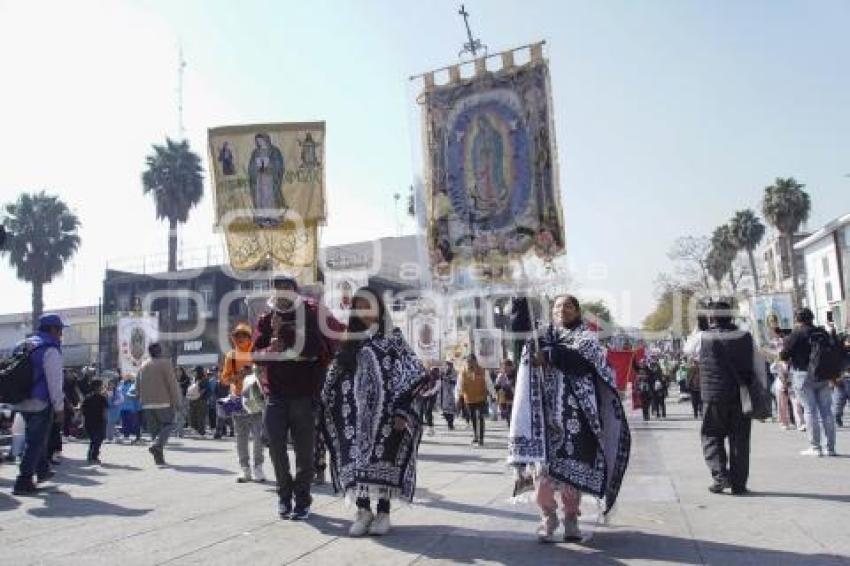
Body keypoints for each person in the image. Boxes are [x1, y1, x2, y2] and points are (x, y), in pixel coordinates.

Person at [508, 295, 631, 543]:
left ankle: (571, 519)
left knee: (571, 478)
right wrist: (520, 307)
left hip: (576, 419)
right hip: (543, 420)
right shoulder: (542, 336)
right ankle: (548, 515)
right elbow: (521, 345)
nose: (562, 309)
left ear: (577, 311)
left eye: (568, 306)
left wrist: (551, 356)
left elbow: (583, 363)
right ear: (551, 311)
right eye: (557, 306)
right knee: (541, 478)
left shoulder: (586, 339)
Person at [321, 287, 426, 537]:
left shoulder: (393, 338)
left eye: (369, 305)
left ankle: (383, 512)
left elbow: (413, 371)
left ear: (379, 306)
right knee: (356, 462)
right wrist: (324, 399)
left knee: (385, 459)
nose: (365, 311)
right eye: (359, 305)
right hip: (354, 418)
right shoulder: (349, 340)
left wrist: (402, 409)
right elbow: (333, 377)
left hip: (388, 415)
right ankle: (363, 510)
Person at [253, 276, 331, 521]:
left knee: (304, 452)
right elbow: (255, 355)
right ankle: (284, 496)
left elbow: (315, 349)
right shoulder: (266, 319)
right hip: (276, 394)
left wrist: (285, 332)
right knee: (276, 448)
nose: (282, 293)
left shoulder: (308, 314)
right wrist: (270, 349)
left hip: (304, 395)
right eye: (278, 288)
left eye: (286, 288)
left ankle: (303, 499)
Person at [696, 301, 755, 495]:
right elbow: (757, 362)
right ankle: (739, 484)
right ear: (731, 316)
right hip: (741, 394)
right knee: (740, 440)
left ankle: (721, 477)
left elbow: (690, 353)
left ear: (711, 317)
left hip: (714, 396)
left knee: (712, 436)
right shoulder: (746, 336)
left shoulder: (703, 337)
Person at [12, 313, 67, 495]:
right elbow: (54, 382)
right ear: (52, 329)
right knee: (35, 442)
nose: (61, 335)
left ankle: (42, 470)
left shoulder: (22, 344)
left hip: (19, 399)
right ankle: (24, 481)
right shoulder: (50, 349)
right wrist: (59, 408)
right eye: (60, 330)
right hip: (39, 402)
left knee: (35, 438)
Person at [781, 308, 837, 457]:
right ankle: (831, 448)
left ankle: (815, 447)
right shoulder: (821, 332)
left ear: (798, 319)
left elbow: (784, 355)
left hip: (803, 375)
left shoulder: (796, 334)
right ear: (811, 318)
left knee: (810, 410)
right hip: (823, 374)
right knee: (826, 410)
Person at [220, 323, 266, 483]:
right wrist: (238, 376)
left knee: (258, 436)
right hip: (238, 399)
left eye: (243, 335)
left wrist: (254, 371)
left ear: (249, 336)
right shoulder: (231, 356)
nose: (240, 338)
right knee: (241, 437)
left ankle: (258, 468)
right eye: (237, 335)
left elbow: (265, 373)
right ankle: (245, 469)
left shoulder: (257, 352)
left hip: (255, 398)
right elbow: (225, 380)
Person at [137, 343, 181, 466]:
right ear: (159, 351)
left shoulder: (143, 364)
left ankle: (159, 458)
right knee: (170, 424)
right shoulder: (165, 363)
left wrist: (140, 397)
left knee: (155, 432)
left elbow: (137, 384)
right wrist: (176, 401)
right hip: (163, 401)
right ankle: (156, 446)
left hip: (146, 403)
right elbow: (172, 384)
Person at [457, 354, 489, 446]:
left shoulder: (483, 371)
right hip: (469, 398)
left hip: (481, 397)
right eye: (468, 361)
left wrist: (493, 395)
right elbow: (459, 385)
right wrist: (458, 397)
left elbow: (489, 383)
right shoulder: (463, 372)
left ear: (475, 361)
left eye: (471, 361)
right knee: (473, 418)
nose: (469, 363)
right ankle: (476, 436)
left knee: (480, 417)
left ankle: (481, 438)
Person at [81, 379, 108, 464]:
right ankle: (94, 456)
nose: (102, 387)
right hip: (99, 421)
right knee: (98, 439)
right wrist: (105, 421)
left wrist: (83, 420)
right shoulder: (102, 398)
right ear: (98, 387)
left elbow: (82, 409)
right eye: (101, 386)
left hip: (89, 422)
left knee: (93, 439)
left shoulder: (87, 397)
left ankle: (91, 455)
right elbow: (105, 410)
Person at [832, 334, 850, 427]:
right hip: (841, 382)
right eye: (847, 341)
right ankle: (837, 418)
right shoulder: (839, 353)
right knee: (838, 405)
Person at [118, 374, 142, 444]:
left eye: (127, 377)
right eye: (125, 377)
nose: (125, 378)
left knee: (129, 422)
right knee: (125, 422)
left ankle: (129, 436)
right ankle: (126, 436)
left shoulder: (132, 385)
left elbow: (131, 395)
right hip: (123, 407)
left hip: (130, 407)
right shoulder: (121, 385)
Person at [187, 366, 209, 436]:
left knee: (201, 416)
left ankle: (201, 432)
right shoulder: (194, 379)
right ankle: (196, 430)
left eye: (195, 371)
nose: (194, 372)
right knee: (193, 415)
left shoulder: (204, 379)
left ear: (199, 371)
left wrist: (197, 395)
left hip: (201, 400)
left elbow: (203, 390)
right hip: (194, 400)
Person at [438, 362, 458, 430]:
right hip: (443, 394)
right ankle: (449, 422)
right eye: (446, 365)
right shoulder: (443, 372)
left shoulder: (454, 372)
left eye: (449, 365)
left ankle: (450, 424)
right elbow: (439, 380)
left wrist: (448, 379)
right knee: (445, 411)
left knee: (451, 411)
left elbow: (456, 381)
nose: (447, 367)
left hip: (451, 393)